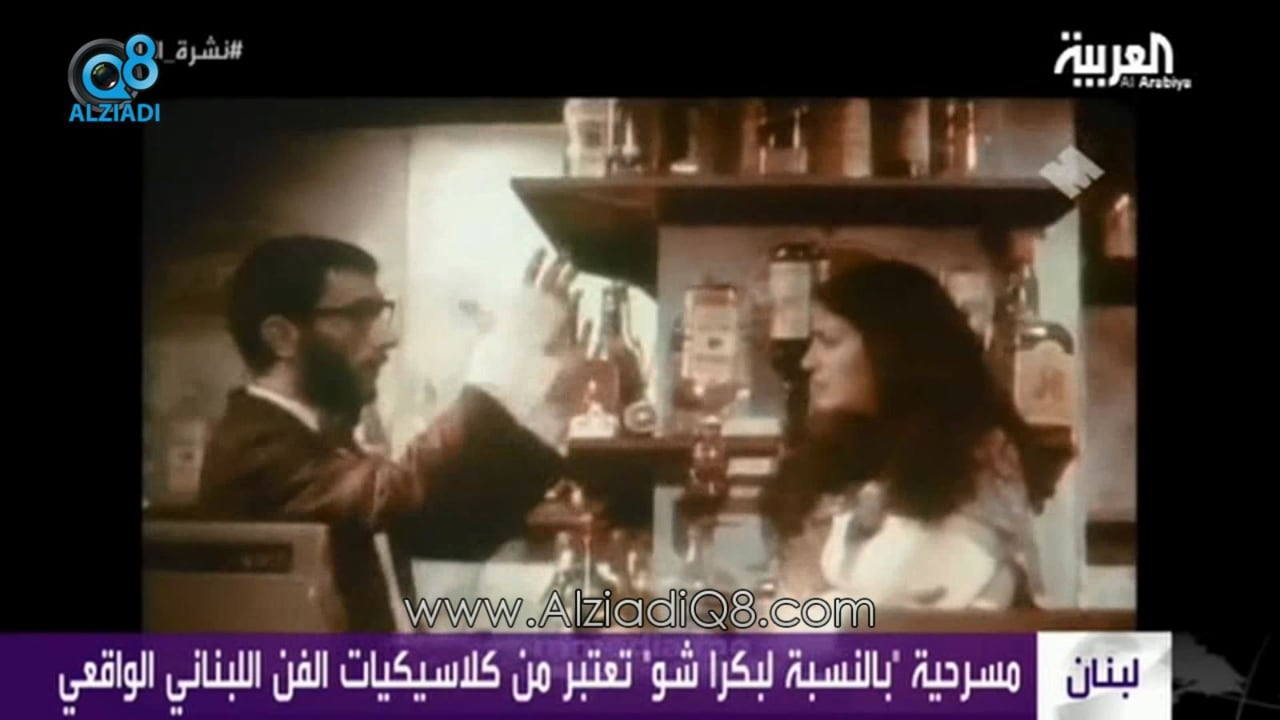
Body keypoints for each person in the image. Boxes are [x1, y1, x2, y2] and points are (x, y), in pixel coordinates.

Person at [198, 235, 589, 630]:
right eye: (359, 315)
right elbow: (402, 495)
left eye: (381, 312)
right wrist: (507, 355)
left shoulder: (317, 437)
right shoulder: (253, 449)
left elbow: (442, 530)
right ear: (282, 337)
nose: (388, 338)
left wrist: (550, 409)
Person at [759, 259, 1070, 611]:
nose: (808, 361)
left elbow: (917, 595)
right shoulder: (841, 456)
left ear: (889, 347)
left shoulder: (979, 456)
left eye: (828, 342)